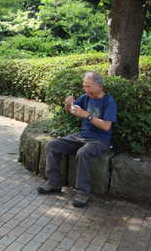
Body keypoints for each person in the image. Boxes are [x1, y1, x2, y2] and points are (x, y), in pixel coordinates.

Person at [37, 72, 117, 208]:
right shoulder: (85, 97)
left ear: (99, 86)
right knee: (53, 145)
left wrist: (86, 115)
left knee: (83, 153)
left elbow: (106, 126)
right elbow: (71, 111)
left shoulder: (109, 102)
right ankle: (54, 183)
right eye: (84, 86)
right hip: (81, 136)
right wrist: (68, 105)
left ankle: (83, 192)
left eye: (89, 86)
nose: (86, 90)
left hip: (99, 140)